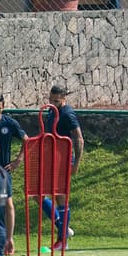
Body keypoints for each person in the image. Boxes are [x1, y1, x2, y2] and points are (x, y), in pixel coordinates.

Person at [39, 84, 84, 245]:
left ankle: (62, 240)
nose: (53, 102)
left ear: (64, 99)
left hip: (63, 159)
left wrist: (76, 163)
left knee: (60, 197)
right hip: (50, 158)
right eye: (51, 99)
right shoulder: (52, 110)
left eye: (56, 100)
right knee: (38, 194)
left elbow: (78, 139)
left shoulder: (67, 114)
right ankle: (62, 227)